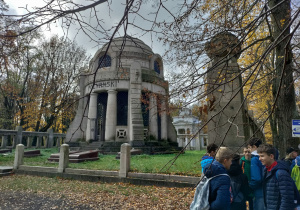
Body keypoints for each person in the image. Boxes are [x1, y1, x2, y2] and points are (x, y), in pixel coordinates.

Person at [258, 144, 299, 210]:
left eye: (262, 156)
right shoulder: (266, 170)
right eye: (259, 156)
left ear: (271, 156)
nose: (259, 159)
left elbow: (287, 198)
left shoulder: (281, 173)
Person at [248, 137, 265, 210]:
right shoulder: (266, 157)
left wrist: (249, 186)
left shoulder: (255, 159)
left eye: (249, 147)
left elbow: (256, 178)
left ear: (254, 147)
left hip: (259, 191)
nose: (249, 150)